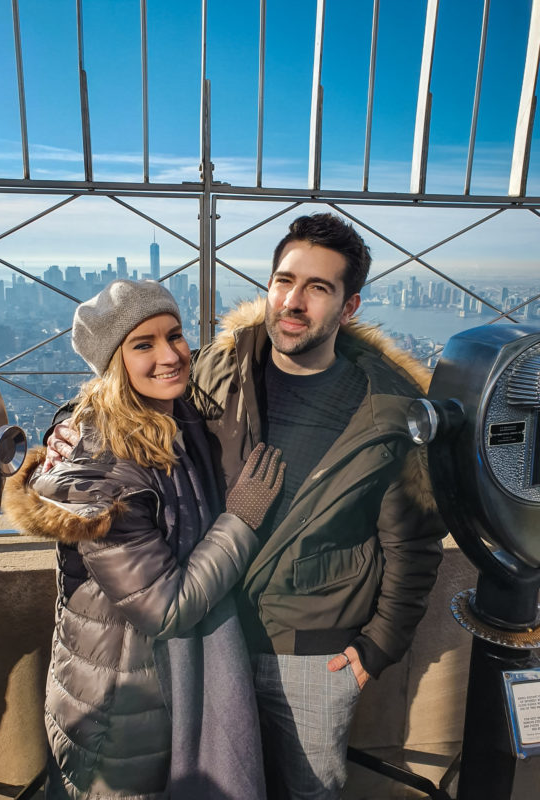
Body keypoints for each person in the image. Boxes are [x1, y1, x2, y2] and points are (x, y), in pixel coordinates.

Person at [46, 214, 446, 799]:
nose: (293, 301)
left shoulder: (389, 409)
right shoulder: (219, 366)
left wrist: (378, 646)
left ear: (349, 306)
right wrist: (67, 428)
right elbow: (122, 396)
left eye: (318, 288)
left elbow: (413, 540)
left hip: (314, 654)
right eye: (284, 280)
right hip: (208, 641)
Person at [3, 279, 285, 800]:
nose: (170, 355)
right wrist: (242, 520)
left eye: (174, 336)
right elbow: (164, 606)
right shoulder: (101, 475)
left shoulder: (178, 421)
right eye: (142, 344)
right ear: (113, 362)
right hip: (120, 709)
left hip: (155, 694)